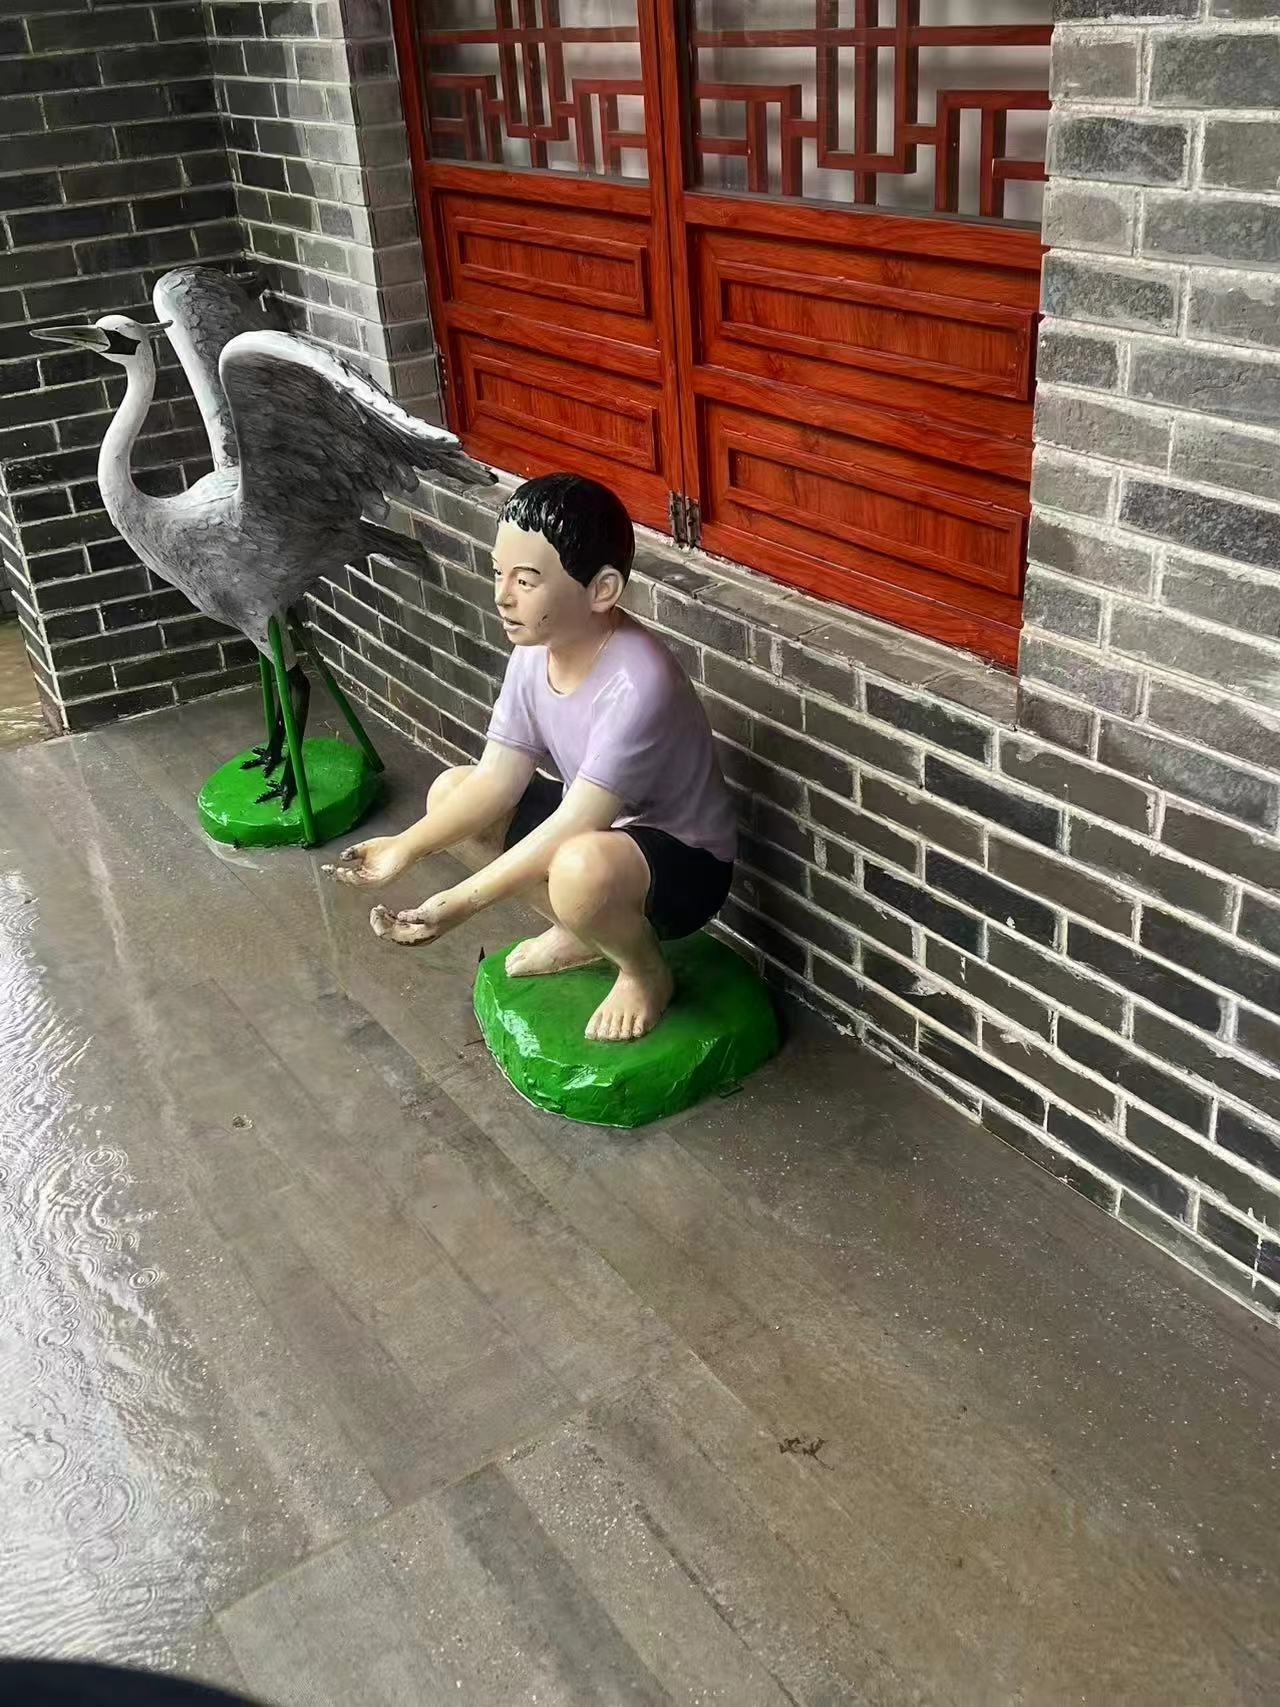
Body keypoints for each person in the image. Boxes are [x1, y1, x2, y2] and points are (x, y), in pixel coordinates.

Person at [324, 472, 738, 1043]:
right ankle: (583, 931)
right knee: (451, 792)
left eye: (526, 580)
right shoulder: (536, 651)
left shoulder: (639, 681)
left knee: (579, 870)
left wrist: (460, 902)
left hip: (683, 865)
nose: (502, 595)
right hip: (599, 836)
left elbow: (577, 823)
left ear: (601, 590)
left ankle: (644, 973)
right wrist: (406, 846)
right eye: (499, 572)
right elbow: (498, 779)